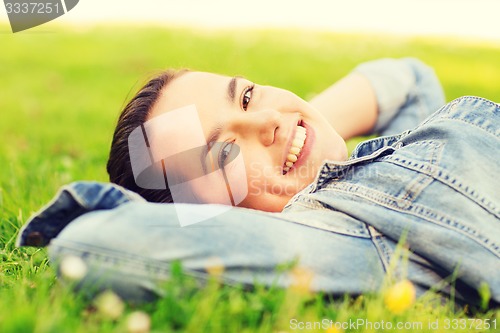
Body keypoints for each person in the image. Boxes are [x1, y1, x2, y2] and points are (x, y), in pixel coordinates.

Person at [17, 58, 500, 306]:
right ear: (213, 221)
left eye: (245, 96)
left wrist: (295, 127)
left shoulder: (378, 163)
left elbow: (409, 80)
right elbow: (92, 246)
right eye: (222, 153)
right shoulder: (344, 243)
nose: (262, 118)